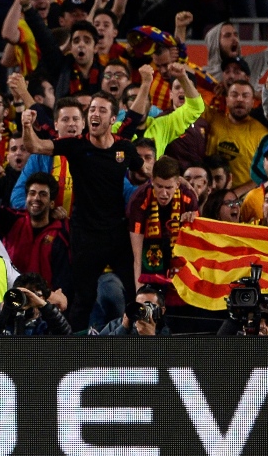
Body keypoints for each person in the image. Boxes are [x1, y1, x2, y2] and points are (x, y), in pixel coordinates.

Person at [21, 91, 144, 331]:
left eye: (102, 110)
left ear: (113, 119)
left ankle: (139, 342)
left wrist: (176, 181)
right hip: (86, 234)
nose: (95, 114)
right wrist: (27, 126)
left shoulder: (124, 148)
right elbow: (35, 145)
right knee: (83, 298)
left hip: (117, 232)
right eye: (93, 109)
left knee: (133, 293)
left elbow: (143, 173)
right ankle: (74, 350)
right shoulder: (76, 145)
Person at [126, 156, 199, 289]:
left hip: (178, 252)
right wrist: (139, 292)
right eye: (159, 186)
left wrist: (191, 221)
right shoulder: (139, 199)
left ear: (178, 184)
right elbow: (137, 256)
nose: (164, 193)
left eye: (169, 187)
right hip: (148, 253)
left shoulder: (188, 198)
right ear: (152, 181)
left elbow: (196, 248)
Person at [0, 273, 71, 336]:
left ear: (43, 298)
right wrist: (2, 316)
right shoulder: (2, 320)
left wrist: (45, 307)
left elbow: (66, 336)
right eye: (24, 295)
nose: (29, 300)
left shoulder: (47, 323)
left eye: (34, 294)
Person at [99, 285, 170, 336]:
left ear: (162, 310)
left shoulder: (165, 330)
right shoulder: (116, 324)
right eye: (139, 305)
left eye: (148, 305)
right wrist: (123, 328)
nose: (142, 309)